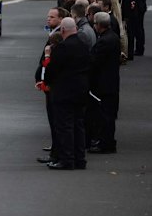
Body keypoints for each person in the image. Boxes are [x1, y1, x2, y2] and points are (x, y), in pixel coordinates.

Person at [44, 17, 90, 170]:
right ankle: (80, 158)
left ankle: (67, 159)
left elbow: (51, 71)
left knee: (65, 126)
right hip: (81, 90)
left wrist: (48, 56)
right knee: (79, 125)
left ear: (63, 30)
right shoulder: (83, 45)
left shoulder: (62, 48)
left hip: (64, 92)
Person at [35, 7, 67, 164]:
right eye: (48, 17)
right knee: (53, 120)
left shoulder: (58, 36)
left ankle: (57, 153)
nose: (48, 19)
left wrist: (44, 78)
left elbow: (51, 62)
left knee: (56, 121)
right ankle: (55, 150)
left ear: (61, 19)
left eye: (52, 17)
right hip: (48, 83)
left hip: (54, 85)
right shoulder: (53, 33)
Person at [88, 12, 120, 154]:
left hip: (105, 84)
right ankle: (106, 141)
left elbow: (95, 61)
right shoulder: (112, 37)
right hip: (110, 81)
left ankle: (106, 144)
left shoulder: (104, 41)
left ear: (99, 25)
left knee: (105, 115)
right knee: (108, 114)